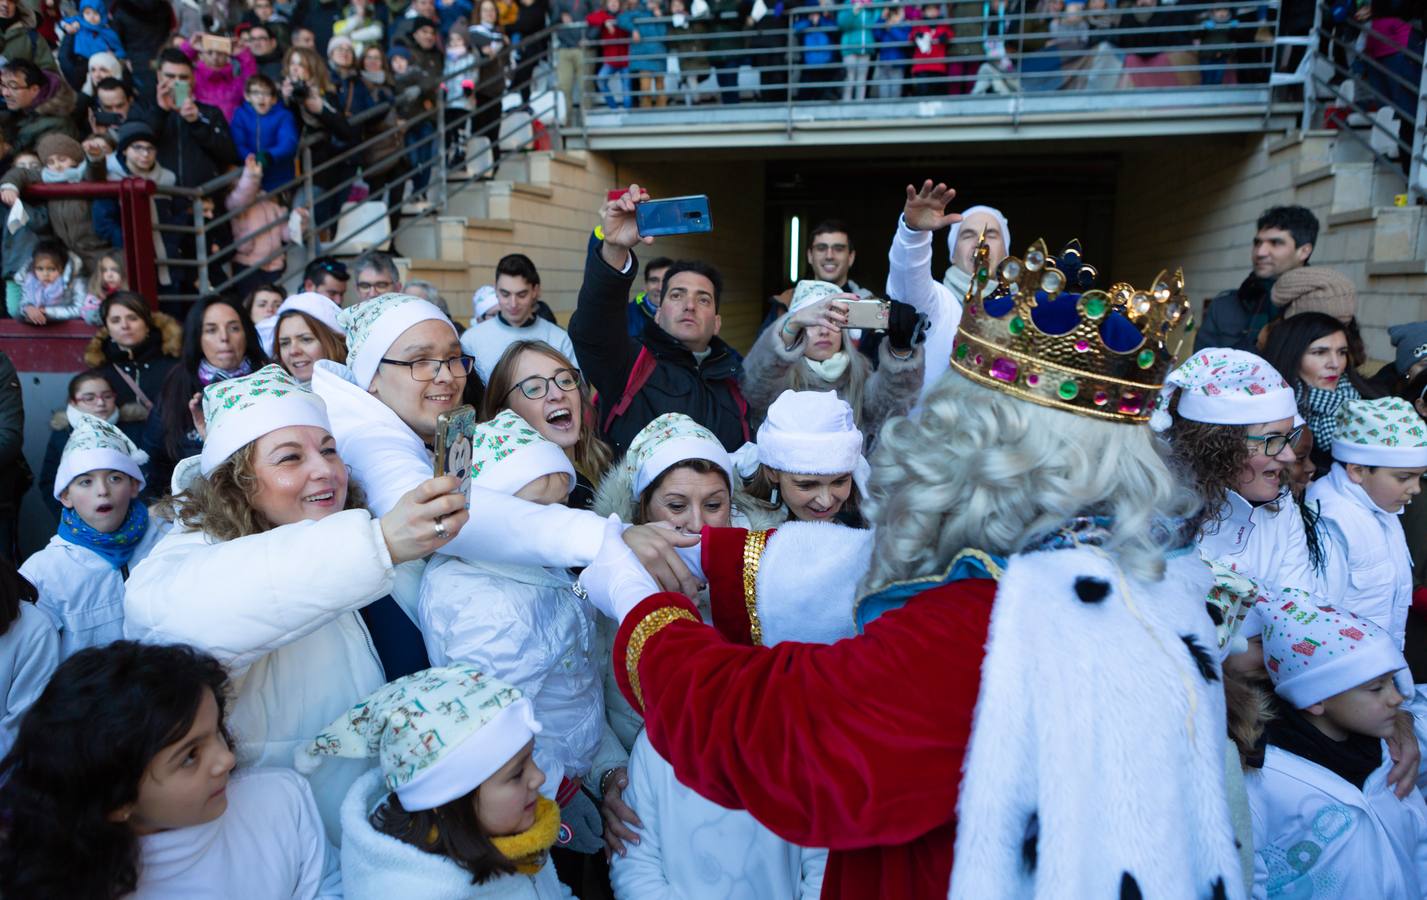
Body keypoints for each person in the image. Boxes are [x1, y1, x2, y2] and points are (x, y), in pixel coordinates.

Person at [575, 229, 1242, 897]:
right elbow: (851, 569)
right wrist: (706, 549)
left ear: (986, 449)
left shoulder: (991, 626)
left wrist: (641, 605)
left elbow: (788, 737)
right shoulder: (1143, 580)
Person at [125, 364, 468, 838]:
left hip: (413, 829)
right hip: (301, 848)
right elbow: (178, 620)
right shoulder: (189, 554)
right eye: (290, 458)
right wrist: (380, 544)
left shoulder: (369, 534)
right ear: (236, 480)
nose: (325, 469)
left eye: (329, 449)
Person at [418, 411, 627, 846]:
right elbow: (501, 733)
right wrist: (562, 796)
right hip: (537, 802)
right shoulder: (487, 609)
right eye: (536, 515)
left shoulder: (541, 568)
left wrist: (606, 767)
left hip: (585, 768)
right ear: (495, 516)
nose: (554, 526)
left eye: (561, 507)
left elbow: (572, 689)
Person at [0, 641, 341, 898]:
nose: (226, 760)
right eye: (190, 756)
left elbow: (330, 887)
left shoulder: (281, 800)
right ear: (118, 801)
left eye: (216, 732)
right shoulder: (77, 887)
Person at [303, 666, 570, 898]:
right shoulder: (411, 891)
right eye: (516, 774)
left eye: (531, 758)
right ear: (446, 801)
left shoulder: (505, 830)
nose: (539, 777)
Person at [1247, 599, 1427, 897]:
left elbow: (1420, 843)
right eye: (1376, 688)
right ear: (1315, 700)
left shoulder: (1393, 757)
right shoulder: (1263, 779)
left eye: (1392, 682)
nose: (1397, 699)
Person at [569, 185, 749, 454]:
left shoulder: (736, 383)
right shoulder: (630, 364)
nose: (689, 305)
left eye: (703, 299)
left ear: (717, 323)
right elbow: (593, 329)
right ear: (658, 312)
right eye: (677, 295)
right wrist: (615, 248)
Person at [21, 412, 163, 659]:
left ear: (134, 486)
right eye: (85, 482)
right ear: (65, 496)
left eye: (115, 478)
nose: (103, 491)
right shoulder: (43, 574)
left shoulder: (167, 540)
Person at [1307, 397, 1427, 657]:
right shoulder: (1332, 519)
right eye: (1404, 478)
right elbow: (1322, 615)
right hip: (1347, 673)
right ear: (1358, 470)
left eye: (1419, 476)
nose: (1415, 488)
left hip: (1380, 667)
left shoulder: (1382, 507)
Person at [743, 279, 923, 438]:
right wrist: (790, 324)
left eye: (832, 321)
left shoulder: (860, 372)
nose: (823, 330)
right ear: (798, 327)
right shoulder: (778, 378)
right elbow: (753, 388)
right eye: (813, 322)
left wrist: (901, 353)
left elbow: (887, 410)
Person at [886, 180, 1011, 399]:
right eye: (967, 235)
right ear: (953, 254)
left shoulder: (1026, 308)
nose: (980, 242)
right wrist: (913, 233)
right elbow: (907, 278)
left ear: (1006, 252)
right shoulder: (937, 302)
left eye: (991, 234)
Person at [143, 296, 268, 496]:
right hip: (195, 503)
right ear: (197, 337)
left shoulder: (270, 379)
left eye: (234, 328)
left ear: (247, 333)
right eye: (211, 330)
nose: (224, 338)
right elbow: (156, 458)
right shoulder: (177, 383)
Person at [481, 340, 614, 510]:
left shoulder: (612, 462)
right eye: (534, 388)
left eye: (565, 380)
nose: (557, 394)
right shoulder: (518, 503)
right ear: (504, 416)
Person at [1262, 311, 1378, 473]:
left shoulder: (1371, 405)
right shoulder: (1270, 418)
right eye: (1319, 353)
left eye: (1342, 352)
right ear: (1290, 355)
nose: (1335, 364)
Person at [1195, 205, 1318, 352]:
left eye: (1275, 243)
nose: (1260, 252)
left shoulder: (1321, 307)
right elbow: (1200, 370)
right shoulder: (1224, 307)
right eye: (1257, 243)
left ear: (1304, 251)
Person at [745, 389, 867, 527]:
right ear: (772, 472)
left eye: (839, 482)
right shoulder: (739, 523)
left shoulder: (874, 517)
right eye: (807, 485)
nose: (825, 501)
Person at [37, 369, 148, 519]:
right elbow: (49, 482)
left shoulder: (135, 429)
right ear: (72, 402)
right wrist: (72, 519)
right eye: (89, 398)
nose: (101, 403)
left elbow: (150, 475)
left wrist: (141, 513)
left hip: (136, 517)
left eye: (107, 396)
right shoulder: (63, 433)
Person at [0, 132, 111, 276]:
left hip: (95, 247)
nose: (57, 165)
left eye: (62, 159)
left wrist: (95, 157)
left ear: (74, 158)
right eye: (50, 162)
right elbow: (21, 173)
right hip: (67, 252)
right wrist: (9, 186)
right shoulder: (47, 176)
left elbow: (96, 171)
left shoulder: (83, 174)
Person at [462, 254, 580, 384]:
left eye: (521, 295)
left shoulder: (560, 340)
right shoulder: (471, 340)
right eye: (505, 294)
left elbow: (577, 390)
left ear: (535, 291)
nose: (513, 303)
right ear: (495, 288)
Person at [83, 292, 182, 418]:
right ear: (107, 328)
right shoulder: (98, 372)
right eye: (115, 320)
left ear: (147, 324)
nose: (124, 326)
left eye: (133, 318)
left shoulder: (176, 366)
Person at [230, 73, 301, 193]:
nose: (261, 97)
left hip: (279, 178)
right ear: (247, 96)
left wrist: (269, 156)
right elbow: (237, 142)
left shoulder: (284, 115)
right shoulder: (240, 114)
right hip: (250, 177)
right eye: (256, 93)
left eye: (266, 93)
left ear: (273, 99)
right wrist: (250, 157)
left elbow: (289, 141)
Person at [263, 292, 350, 383]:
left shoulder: (361, 388)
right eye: (285, 343)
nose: (293, 351)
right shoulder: (276, 394)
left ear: (334, 342)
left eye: (306, 339)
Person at [0, 58, 79, 151]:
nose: (5, 93)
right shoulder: (19, 110)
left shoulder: (57, 125)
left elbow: (49, 162)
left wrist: (5, 151)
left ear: (35, 90)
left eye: (13, 87)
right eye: (3, 85)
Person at [182, 31, 257, 120]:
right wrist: (190, 47)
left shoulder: (236, 84)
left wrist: (243, 54)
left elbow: (253, 83)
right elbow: (176, 72)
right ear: (201, 55)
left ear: (228, 57)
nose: (215, 58)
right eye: (209, 52)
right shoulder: (192, 79)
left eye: (220, 53)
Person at [14, 240, 84, 327]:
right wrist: (27, 309)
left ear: (62, 269)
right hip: (36, 330)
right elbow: (24, 303)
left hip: (68, 329)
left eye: (51, 269)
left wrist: (47, 312)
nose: (45, 274)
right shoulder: (31, 282)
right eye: (40, 269)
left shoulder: (75, 282)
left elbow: (80, 309)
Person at [626, 255, 669, 341]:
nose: (660, 288)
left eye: (666, 280)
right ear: (645, 286)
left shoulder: (685, 316)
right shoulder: (626, 315)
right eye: (654, 280)